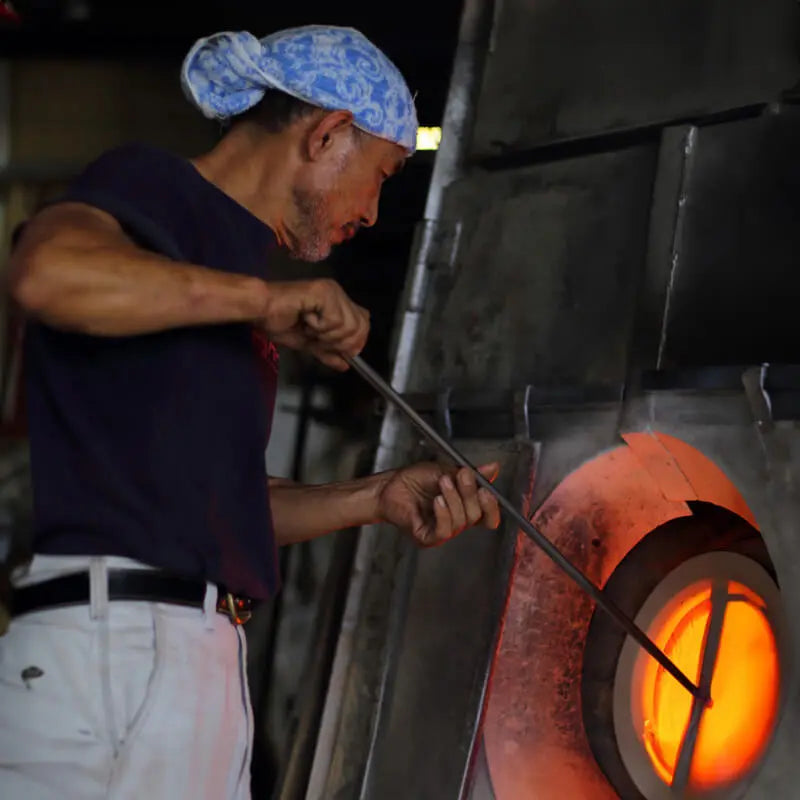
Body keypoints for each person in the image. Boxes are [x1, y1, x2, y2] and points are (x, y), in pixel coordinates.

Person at [0, 25, 501, 800]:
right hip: (115, 647)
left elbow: (223, 508)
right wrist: (262, 304)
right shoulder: (153, 189)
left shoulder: (235, 274)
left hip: (189, 653)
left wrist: (377, 496)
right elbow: (44, 271)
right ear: (328, 133)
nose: (371, 213)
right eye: (382, 176)